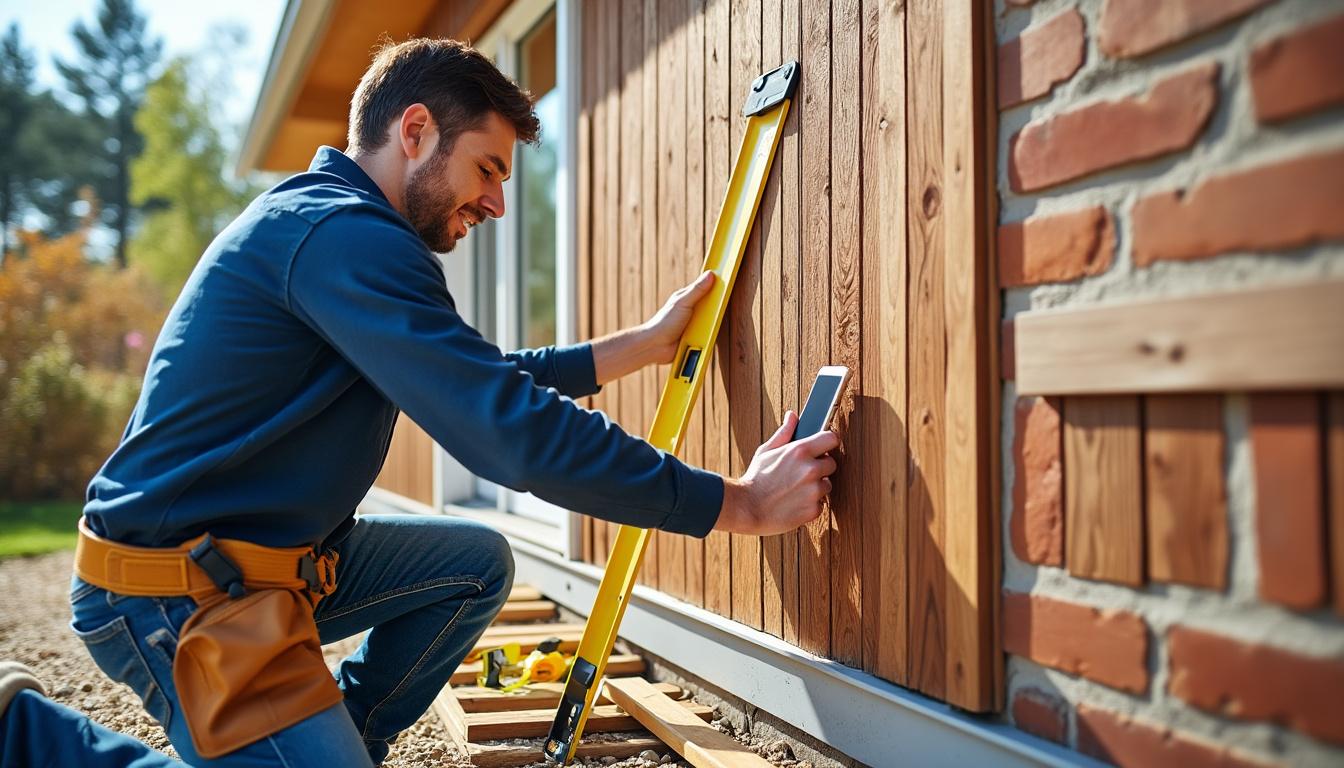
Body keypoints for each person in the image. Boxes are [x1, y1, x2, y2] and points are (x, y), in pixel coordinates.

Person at [68, 37, 839, 767]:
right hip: (174, 590)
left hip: (268, 568)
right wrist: (738, 503)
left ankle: (344, 740)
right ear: (415, 131)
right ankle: (26, 735)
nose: (498, 203)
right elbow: (505, 429)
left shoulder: (332, 229)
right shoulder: (341, 237)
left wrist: (639, 344)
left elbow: (474, 375)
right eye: (488, 169)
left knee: (473, 563)